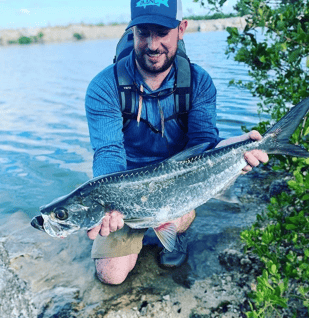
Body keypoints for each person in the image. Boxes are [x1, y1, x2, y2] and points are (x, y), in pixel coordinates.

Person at [85, 0, 269, 285]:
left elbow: (204, 144)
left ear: (181, 29)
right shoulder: (103, 86)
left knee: (179, 214)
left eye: (162, 32)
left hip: (180, 178)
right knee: (111, 276)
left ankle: (176, 231)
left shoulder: (199, 82)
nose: (152, 44)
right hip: (125, 185)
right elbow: (108, 152)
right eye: (143, 33)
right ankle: (142, 229)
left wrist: (239, 148)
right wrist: (109, 202)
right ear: (132, 32)